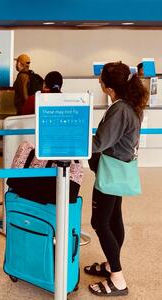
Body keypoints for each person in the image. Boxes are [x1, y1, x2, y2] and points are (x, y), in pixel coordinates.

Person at [85, 62, 148, 297]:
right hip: (119, 168)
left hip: (110, 170)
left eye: (101, 78)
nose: (99, 81)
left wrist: (73, 144)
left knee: (100, 223)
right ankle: (112, 265)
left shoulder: (120, 109)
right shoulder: (127, 105)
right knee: (113, 218)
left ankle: (118, 280)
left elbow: (100, 143)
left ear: (108, 86)